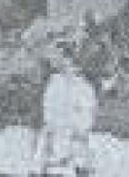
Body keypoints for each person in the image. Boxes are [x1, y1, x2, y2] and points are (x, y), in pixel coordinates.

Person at [37, 48, 97, 177]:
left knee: (77, 162)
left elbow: (87, 112)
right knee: (51, 163)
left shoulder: (84, 87)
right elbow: (48, 106)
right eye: (64, 62)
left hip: (74, 134)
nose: (67, 66)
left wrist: (79, 127)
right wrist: (51, 124)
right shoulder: (54, 82)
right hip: (55, 132)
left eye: (71, 64)